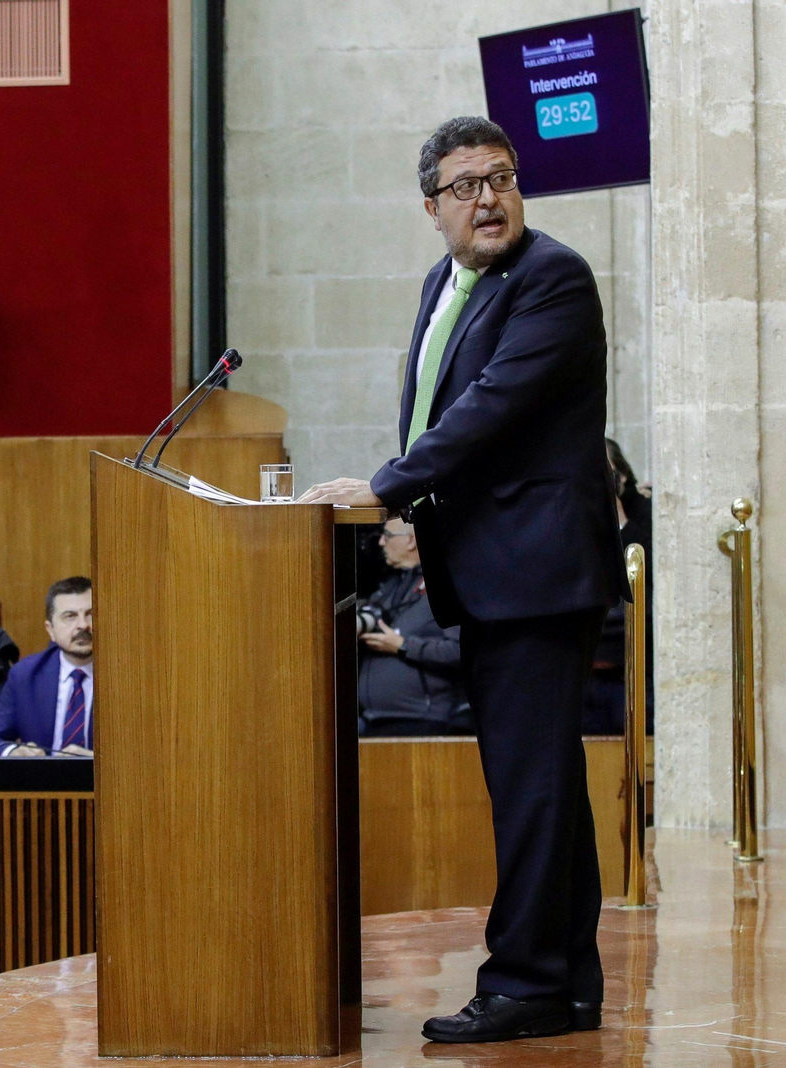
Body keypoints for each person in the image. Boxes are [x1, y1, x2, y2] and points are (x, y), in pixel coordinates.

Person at [297, 116, 627, 1042]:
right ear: (431, 208)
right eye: (467, 185)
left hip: (538, 575)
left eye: (503, 179)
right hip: (487, 575)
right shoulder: (447, 283)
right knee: (542, 783)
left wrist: (387, 486)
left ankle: (524, 983)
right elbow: (435, 411)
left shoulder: (552, 276)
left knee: (530, 786)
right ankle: (565, 983)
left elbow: (491, 408)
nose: (489, 198)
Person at [357, 520, 468, 736]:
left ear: (410, 541)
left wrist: (403, 646)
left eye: (387, 535)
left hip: (420, 721)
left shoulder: (444, 588)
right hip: (372, 719)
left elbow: (460, 651)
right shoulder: (389, 587)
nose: (381, 542)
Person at [0, 577, 94, 756]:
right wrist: (14, 752)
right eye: (70, 616)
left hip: (111, 783)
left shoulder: (129, 676)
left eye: (91, 614)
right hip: (44, 783)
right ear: (51, 630)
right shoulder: (25, 675)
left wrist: (101, 762)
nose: (83, 625)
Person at [586, 439, 654, 733]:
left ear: (623, 476)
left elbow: (643, 588)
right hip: (584, 676)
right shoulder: (574, 518)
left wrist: (620, 520)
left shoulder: (643, 517)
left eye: (607, 474)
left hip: (632, 673)